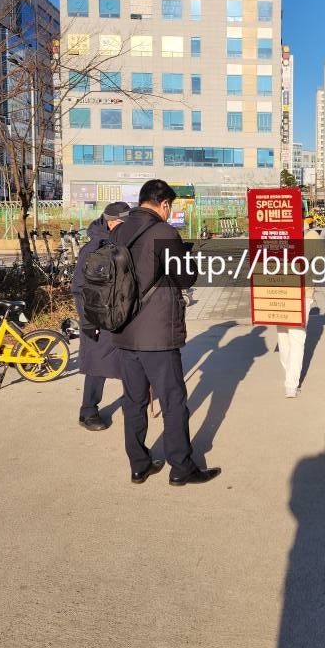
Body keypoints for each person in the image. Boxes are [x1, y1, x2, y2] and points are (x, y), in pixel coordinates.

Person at [112, 179, 221, 486]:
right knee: (173, 401)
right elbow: (185, 278)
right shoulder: (164, 232)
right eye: (169, 206)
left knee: (133, 401)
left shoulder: (119, 230)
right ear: (163, 204)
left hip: (124, 330)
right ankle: (181, 467)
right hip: (157, 333)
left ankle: (139, 465)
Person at [71, 201, 131, 430]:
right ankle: (88, 411)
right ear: (112, 222)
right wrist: (87, 320)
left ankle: (131, 403)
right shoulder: (93, 248)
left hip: (123, 313)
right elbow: (79, 287)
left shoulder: (125, 243)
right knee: (98, 362)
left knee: (130, 361)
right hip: (98, 314)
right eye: (124, 223)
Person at [277, 218, 322, 398]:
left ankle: (289, 376)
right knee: (296, 338)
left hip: (279, 292)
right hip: (303, 293)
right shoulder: (312, 236)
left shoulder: (277, 232)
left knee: (283, 336)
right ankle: (291, 384)